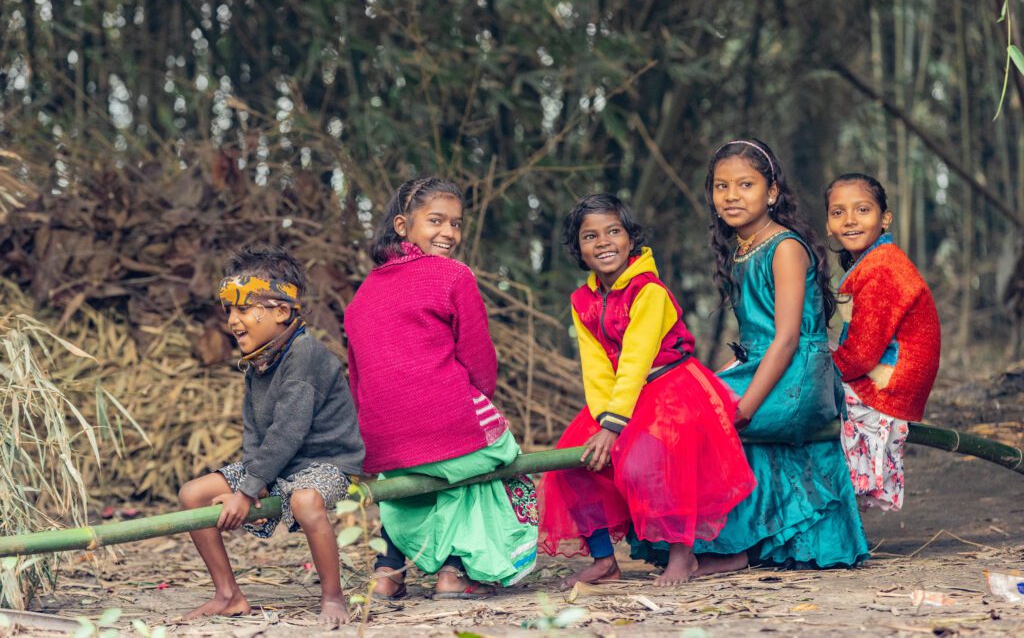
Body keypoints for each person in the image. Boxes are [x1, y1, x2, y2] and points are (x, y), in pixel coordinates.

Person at [538, 194, 755, 587]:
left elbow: (637, 360)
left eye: (613, 231)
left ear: (630, 238)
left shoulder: (648, 290)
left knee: (651, 464)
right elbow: (597, 368)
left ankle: (682, 556)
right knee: (573, 464)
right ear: (579, 250)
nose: (603, 242)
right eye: (590, 236)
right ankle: (605, 560)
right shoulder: (581, 301)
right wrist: (604, 422)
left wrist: (614, 427)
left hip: (670, 386)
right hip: (621, 398)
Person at [344, 176, 537, 601]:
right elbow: (480, 364)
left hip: (383, 443)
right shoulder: (453, 275)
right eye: (436, 221)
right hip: (448, 429)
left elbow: (359, 381)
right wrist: (479, 401)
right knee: (495, 457)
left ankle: (388, 571)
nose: (448, 233)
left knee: (426, 471)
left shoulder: (362, 294)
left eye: (456, 224)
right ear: (402, 225)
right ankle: (454, 570)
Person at [694, 139, 869, 574]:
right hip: (766, 365)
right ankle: (740, 541)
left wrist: (743, 407)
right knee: (681, 400)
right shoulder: (743, 247)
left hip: (798, 377)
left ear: (772, 192)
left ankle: (730, 547)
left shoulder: (784, 247)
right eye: (721, 186)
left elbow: (787, 338)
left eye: (745, 184)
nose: (731, 195)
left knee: (701, 418)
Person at [178, 244, 365, 628]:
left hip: (323, 463)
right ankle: (228, 595)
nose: (233, 319)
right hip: (276, 465)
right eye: (229, 309)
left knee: (306, 501)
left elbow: (289, 430)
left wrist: (247, 491)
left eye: (245, 309)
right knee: (192, 495)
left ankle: (332, 595)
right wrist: (253, 479)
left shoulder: (304, 354)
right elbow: (256, 431)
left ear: (282, 311)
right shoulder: (259, 359)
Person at [825, 173, 940, 510]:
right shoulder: (874, 260)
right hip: (886, 372)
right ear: (828, 223)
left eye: (862, 210)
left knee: (799, 389)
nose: (849, 220)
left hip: (890, 384)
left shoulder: (882, 268)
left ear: (884, 218)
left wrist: (816, 372)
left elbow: (859, 355)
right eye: (838, 213)